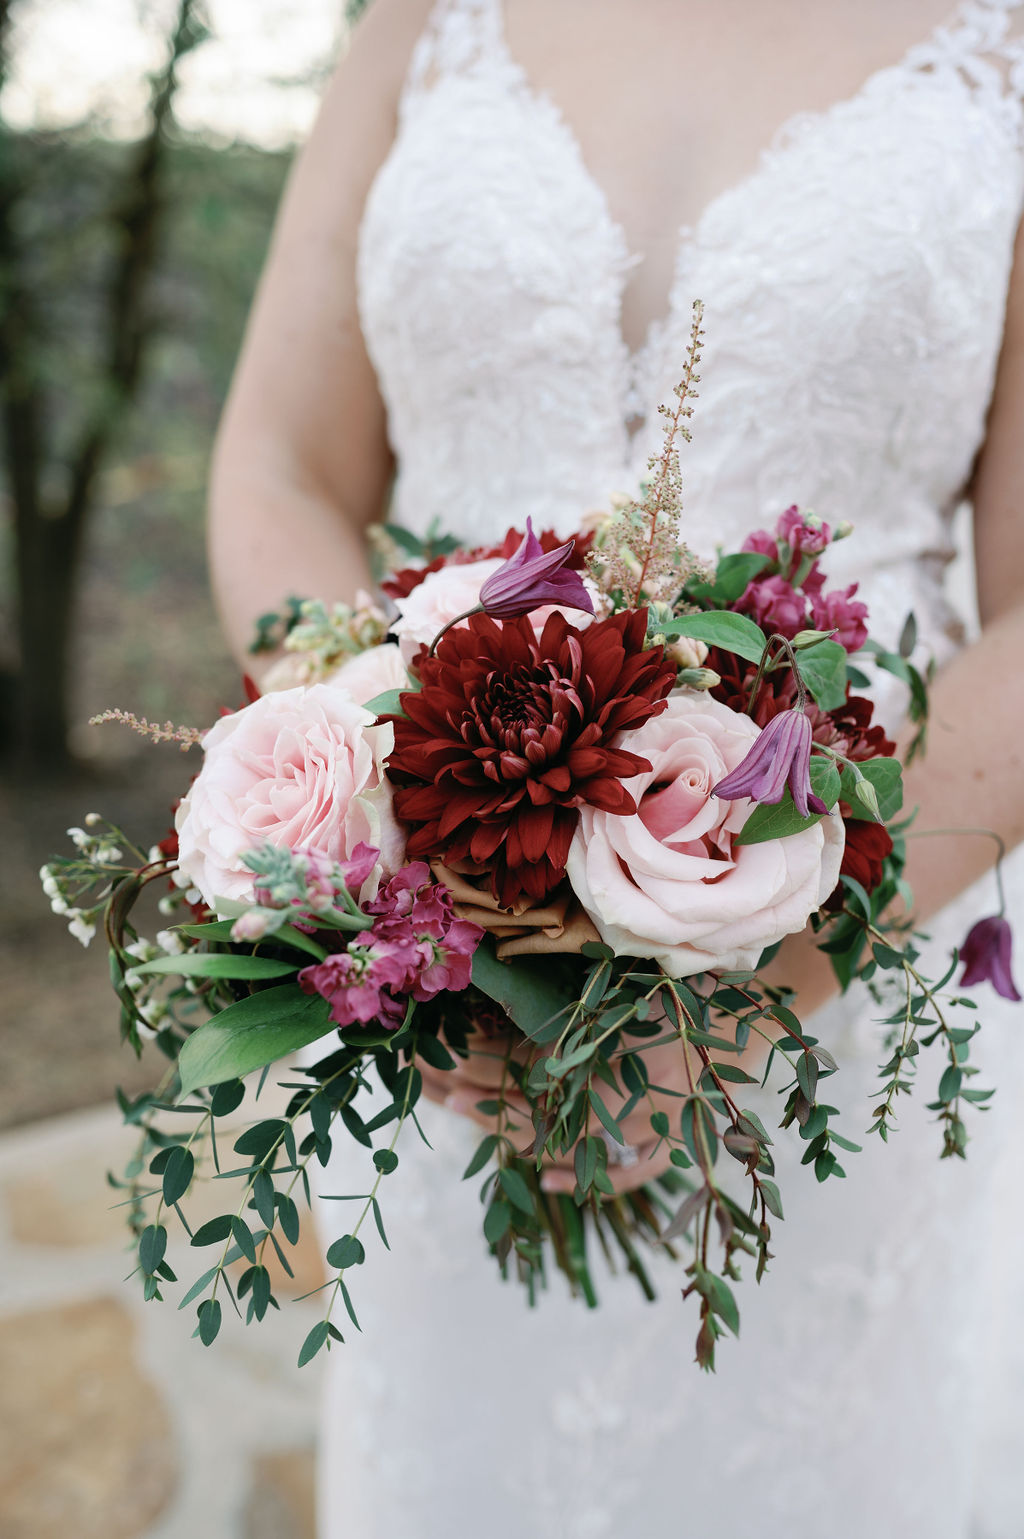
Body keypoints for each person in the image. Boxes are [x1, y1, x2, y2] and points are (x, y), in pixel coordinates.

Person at [207, 2, 1024, 1534]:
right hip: (447, 1017)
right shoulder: (420, 28)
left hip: (859, 966)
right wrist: (406, 897)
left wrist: (754, 991)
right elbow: (282, 467)